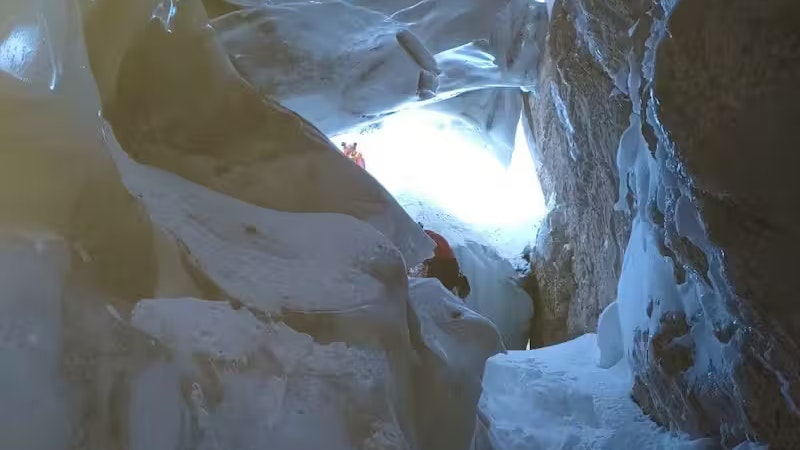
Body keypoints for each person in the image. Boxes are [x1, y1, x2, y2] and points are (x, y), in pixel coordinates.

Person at [417, 222, 471, 299]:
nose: (454, 294)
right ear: (457, 288)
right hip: (435, 247)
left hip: (435, 243)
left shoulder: (455, 272)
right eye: (456, 294)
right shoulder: (449, 282)